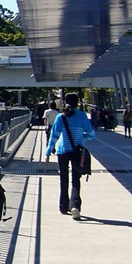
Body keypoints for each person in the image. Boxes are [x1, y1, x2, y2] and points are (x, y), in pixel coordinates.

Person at [45, 92, 96, 220]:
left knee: (63, 179)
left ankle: (63, 206)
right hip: (77, 151)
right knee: (75, 179)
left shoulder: (61, 117)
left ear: (65, 103)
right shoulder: (82, 116)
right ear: (77, 102)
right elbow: (91, 134)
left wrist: (48, 152)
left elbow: (54, 136)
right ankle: (75, 206)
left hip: (63, 150)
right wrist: (81, 136)